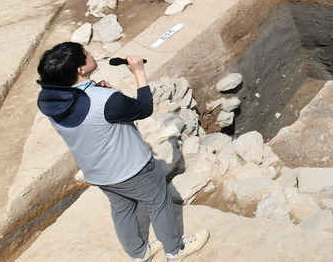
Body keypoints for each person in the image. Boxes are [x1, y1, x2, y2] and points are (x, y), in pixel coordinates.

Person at [37, 43, 209, 262]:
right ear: (81, 69)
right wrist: (139, 72)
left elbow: (89, 117)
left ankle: (139, 253)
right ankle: (175, 250)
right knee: (159, 202)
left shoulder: (52, 103)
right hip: (132, 169)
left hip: (98, 173)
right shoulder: (106, 101)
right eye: (86, 53)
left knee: (122, 209)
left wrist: (96, 89)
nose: (90, 53)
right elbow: (144, 108)